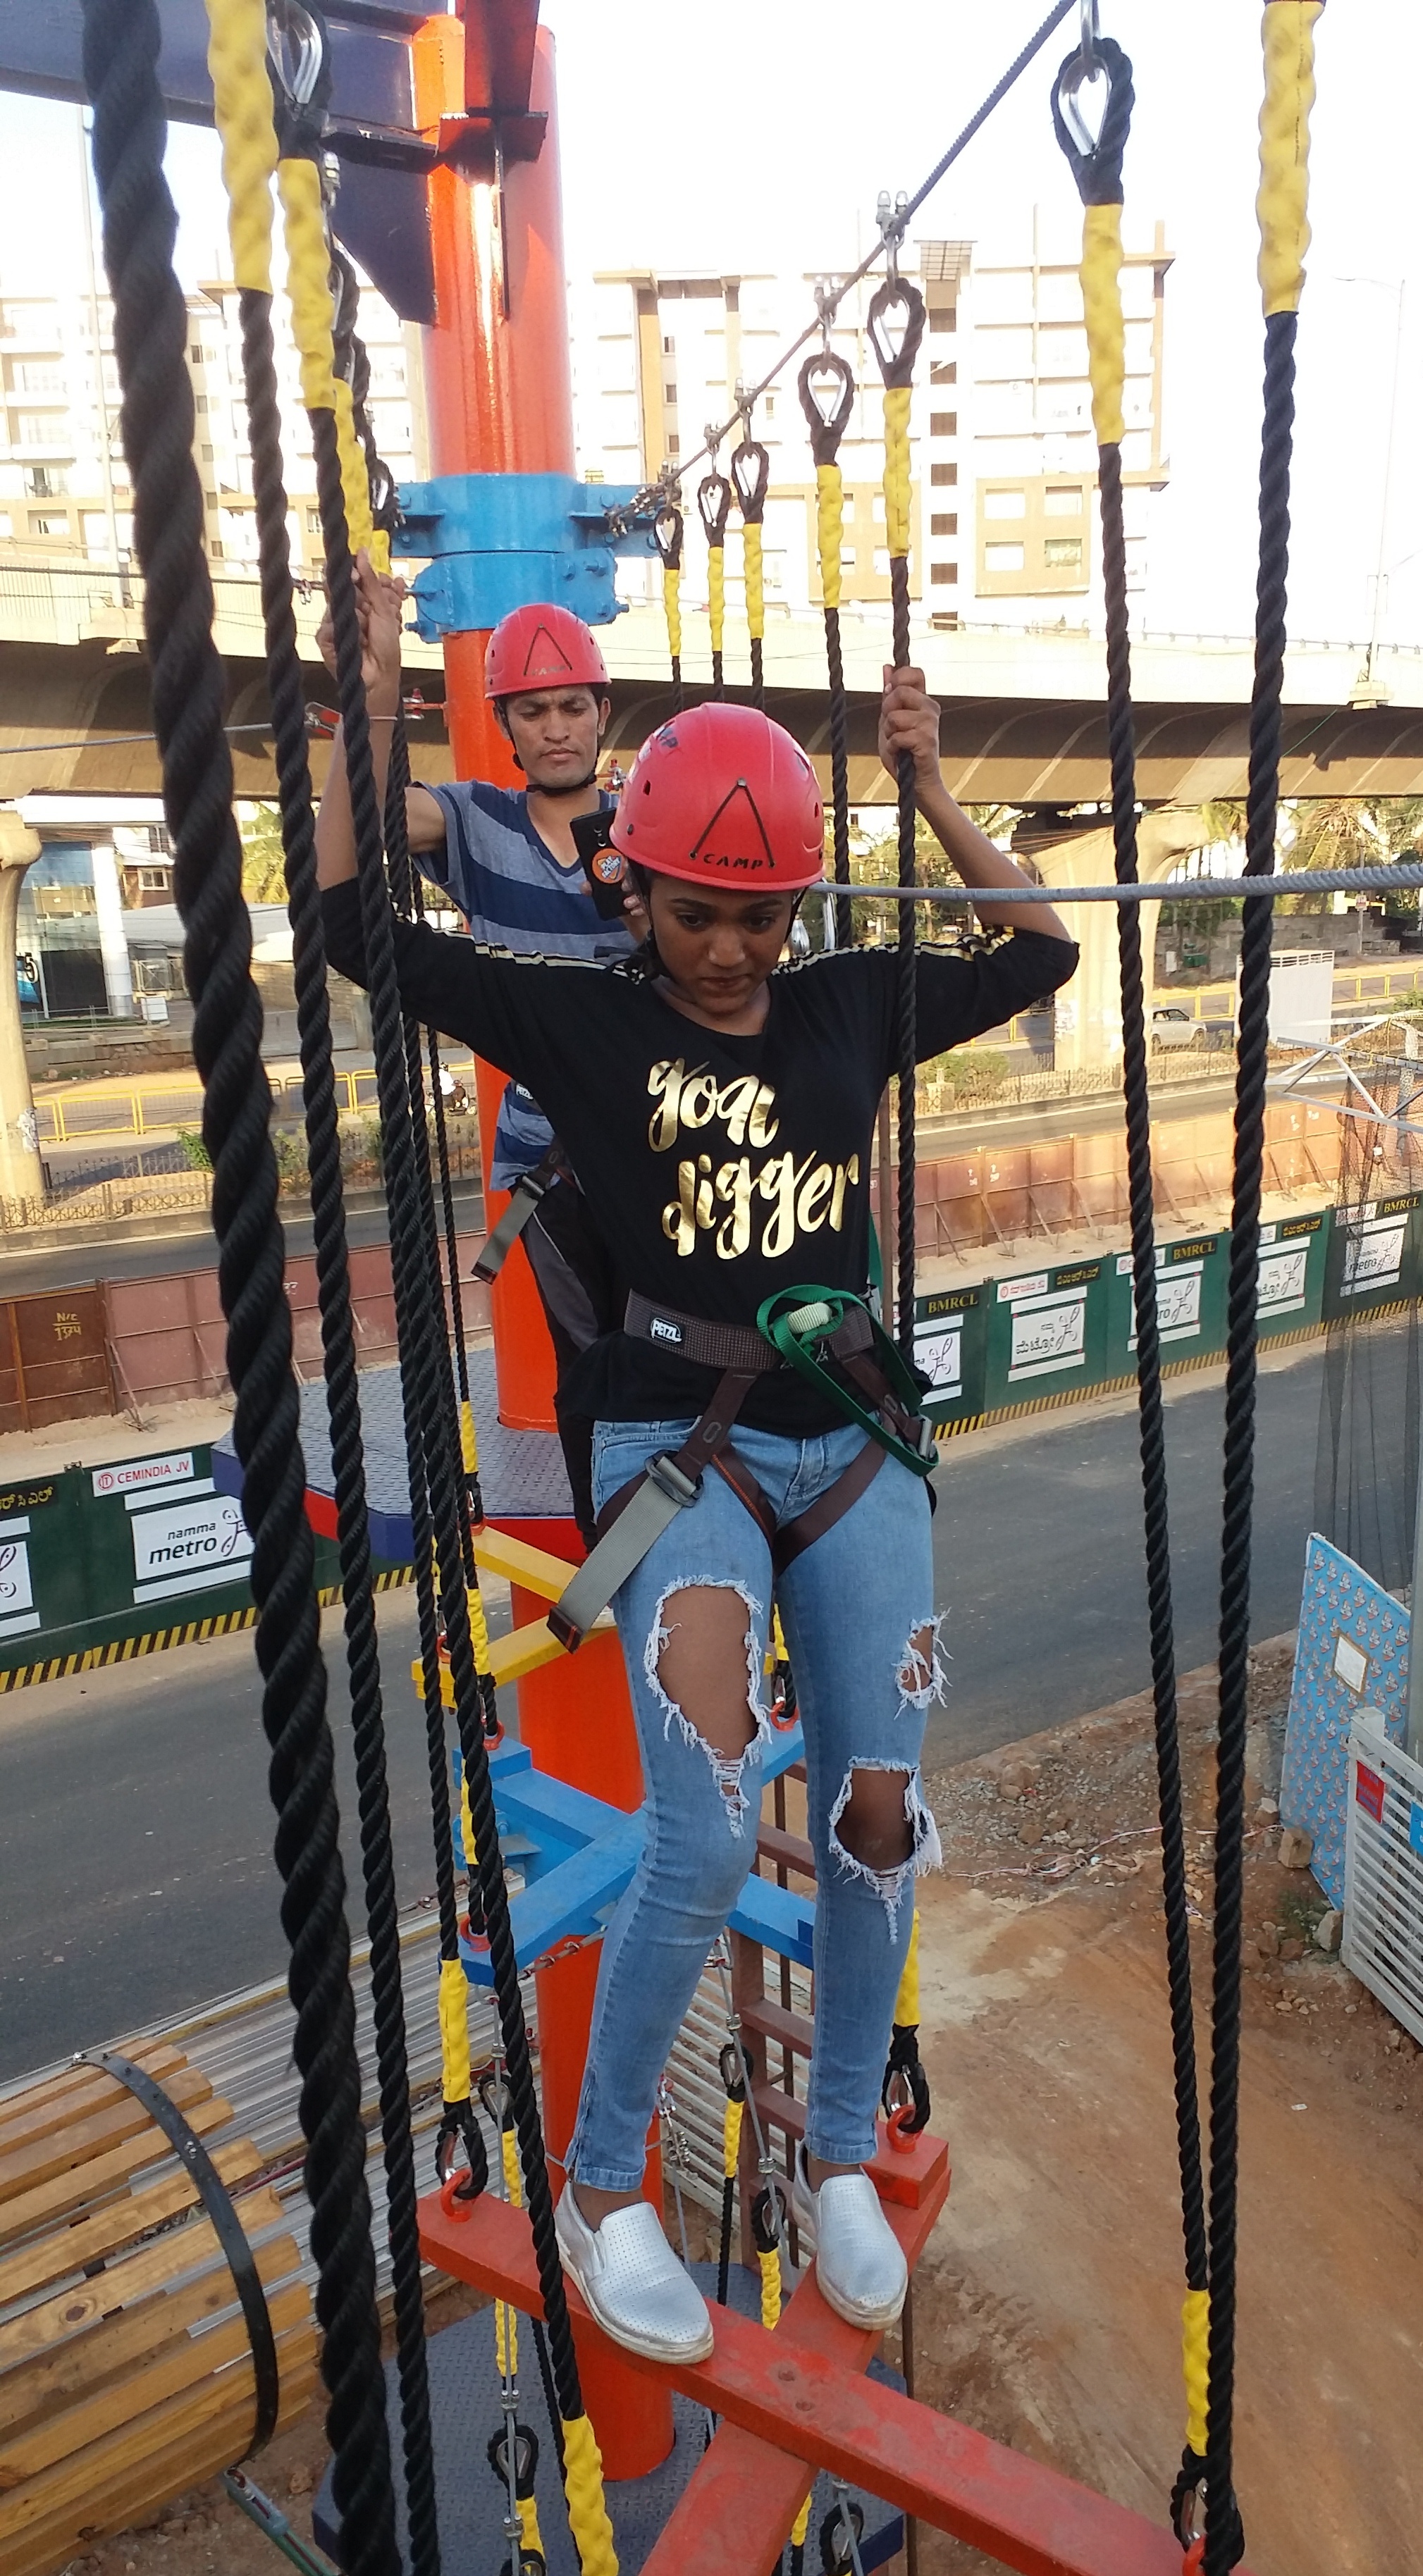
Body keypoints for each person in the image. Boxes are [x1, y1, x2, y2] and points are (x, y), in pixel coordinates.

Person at [319, 681, 1076, 2365]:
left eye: (756, 916)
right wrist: (365, 721)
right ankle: (600, 2192)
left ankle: (832, 2153)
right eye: (692, 913)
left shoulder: (838, 1009)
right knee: (711, 1828)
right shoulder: (584, 1025)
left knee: (879, 1816)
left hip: (852, 1437)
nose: (727, 950)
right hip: (687, 1442)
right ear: (629, 894)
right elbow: (349, 927)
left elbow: (1036, 956)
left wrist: (930, 787)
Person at [316, 560, 636, 1530]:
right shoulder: (472, 822)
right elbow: (364, 827)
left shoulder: (646, 817)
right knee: (591, 1353)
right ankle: (609, 1529)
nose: (553, 728)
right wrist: (373, 691)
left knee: (678, 1336)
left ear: (598, 711)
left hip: (658, 1130)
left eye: (570, 707)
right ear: (505, 727)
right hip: (552, 1154)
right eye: (531, 712)